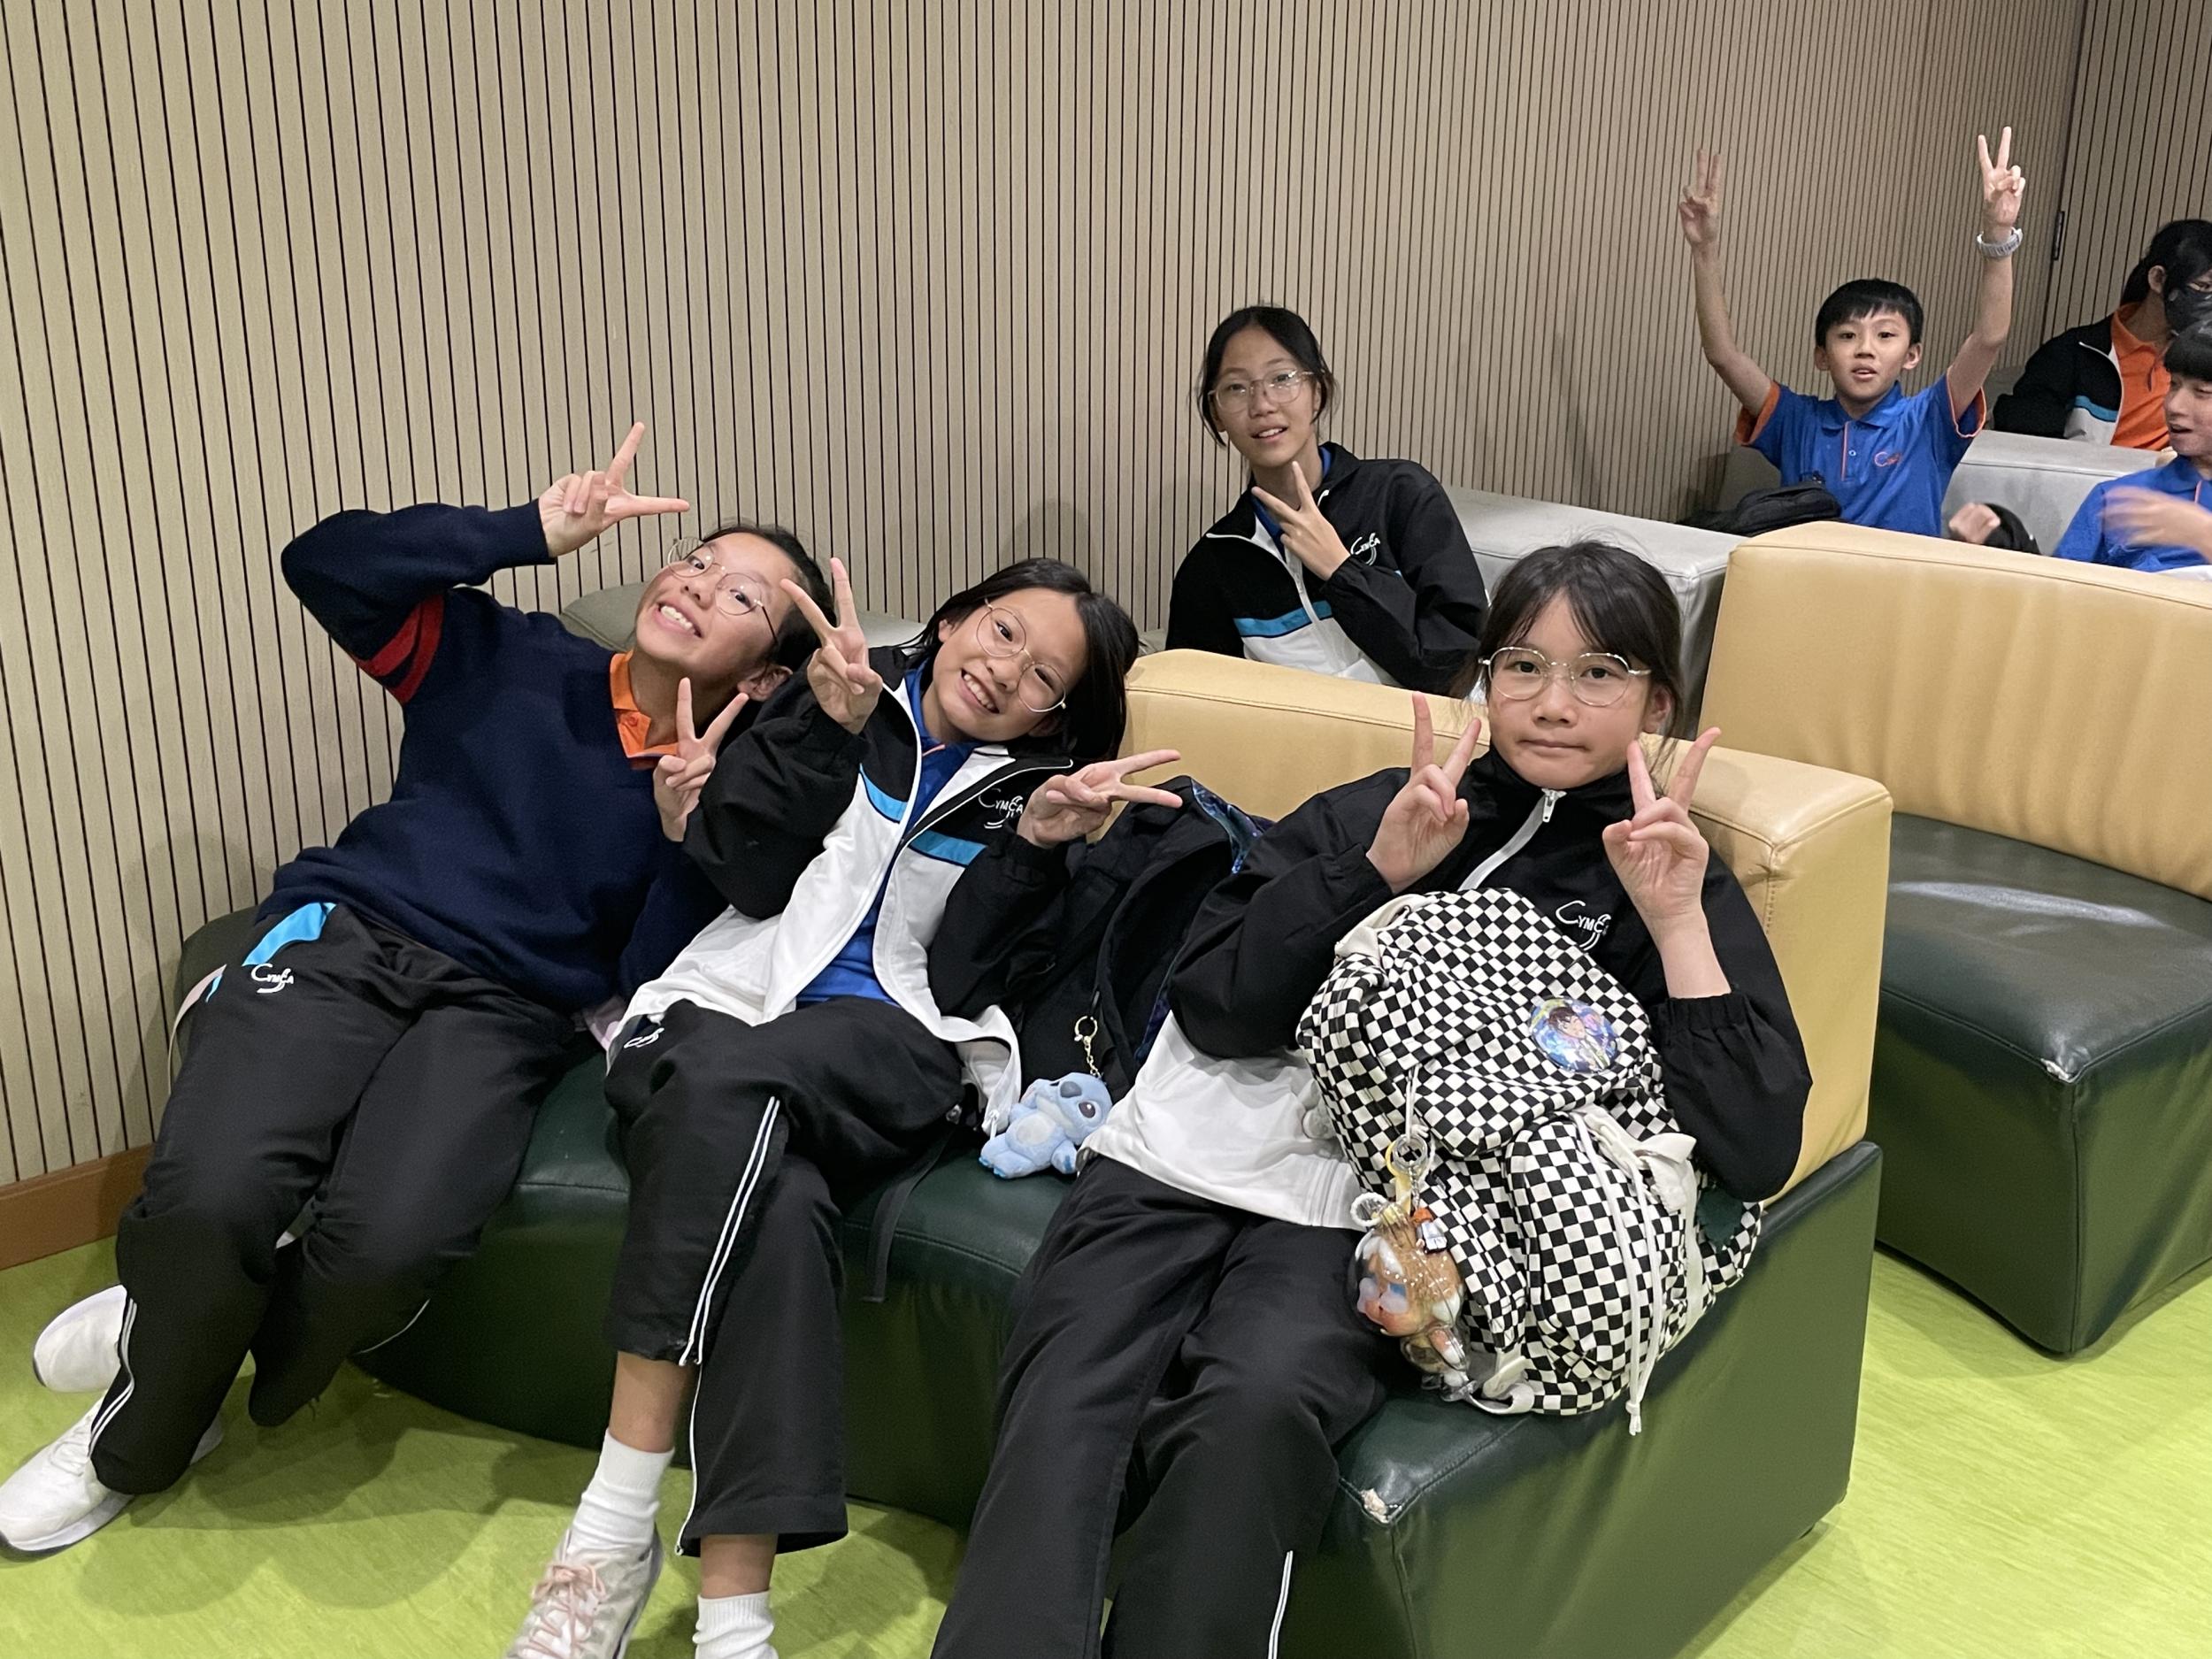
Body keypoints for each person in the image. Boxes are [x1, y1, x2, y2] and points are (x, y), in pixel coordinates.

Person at [930, 541, 1809, 1658]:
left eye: (1598, 673)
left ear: (1657, 702)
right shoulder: (1385, 808)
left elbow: (1756, 1145)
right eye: (1522, 666)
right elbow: (1216, 1003)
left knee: (1255, 1405)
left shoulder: (1664, 872)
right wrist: (1375, 873)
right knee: (1067, 1377)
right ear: (1484, 679)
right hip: (1189, 1149)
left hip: (1381, 1210)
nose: (1551, 704)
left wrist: (1677, 921)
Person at [0, 426, 832, 1556]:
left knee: (386, 1249)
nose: (693, 583)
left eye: (739, 595)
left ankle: (184, 1328)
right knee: (211, 1194)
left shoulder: (729, 792)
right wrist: (525, 530)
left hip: (507, 1009)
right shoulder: (507, 654)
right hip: (347, 934)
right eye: (696, 559)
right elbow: (323, 564)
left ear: (765, 672)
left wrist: (685, 832)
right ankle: (136, 1439)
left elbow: (645, 975)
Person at [503, 558, 1162, 1659]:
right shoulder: (837, 690)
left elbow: (959, 978)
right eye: (1002, 631)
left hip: (891, 1038)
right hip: (725, 998)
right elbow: (742, 873)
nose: (1006, 671)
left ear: (1056, 714)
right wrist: (824, 727)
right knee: (775, 1209)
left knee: (729, 1086)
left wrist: (1035, 849)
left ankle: (608, 1529)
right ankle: (734, 1626)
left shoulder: (1042, 793)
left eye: (1045, 676)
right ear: (956, 617)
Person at [1681, 134, 2028, 538]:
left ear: (1912, 355)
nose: (1865, 349)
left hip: (1901, 579)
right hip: (1808, 574)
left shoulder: (1927, 420)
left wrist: (1998, 236)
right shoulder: (1796, 421)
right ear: (1821, 356)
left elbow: (1989, 338)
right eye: (1847, 336)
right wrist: (1704, 249)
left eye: (1885, 335)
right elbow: (1723, 355)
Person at [1164, 303, 1489, 691]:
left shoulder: (1399, 495)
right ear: (1217, 414)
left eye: (1282, 378)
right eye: (1236, 387)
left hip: (1423, 729)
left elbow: (1458, 665)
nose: (1262, 404)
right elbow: (1197, 703)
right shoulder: (1214, 564)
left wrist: (1342, 571)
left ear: (1317, 393)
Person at [1994, 218, 2212, 448]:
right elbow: (2024, 445)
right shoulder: (2070, 355)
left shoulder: (2201, 358)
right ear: (2158, 279)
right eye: (2205, 287)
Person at [2052, 324, 2212, 572]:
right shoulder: (2118, 499)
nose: (2174, 406)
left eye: (2202, 392)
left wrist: (2203, 535)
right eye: (2174, 384)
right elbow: (2058, 587)